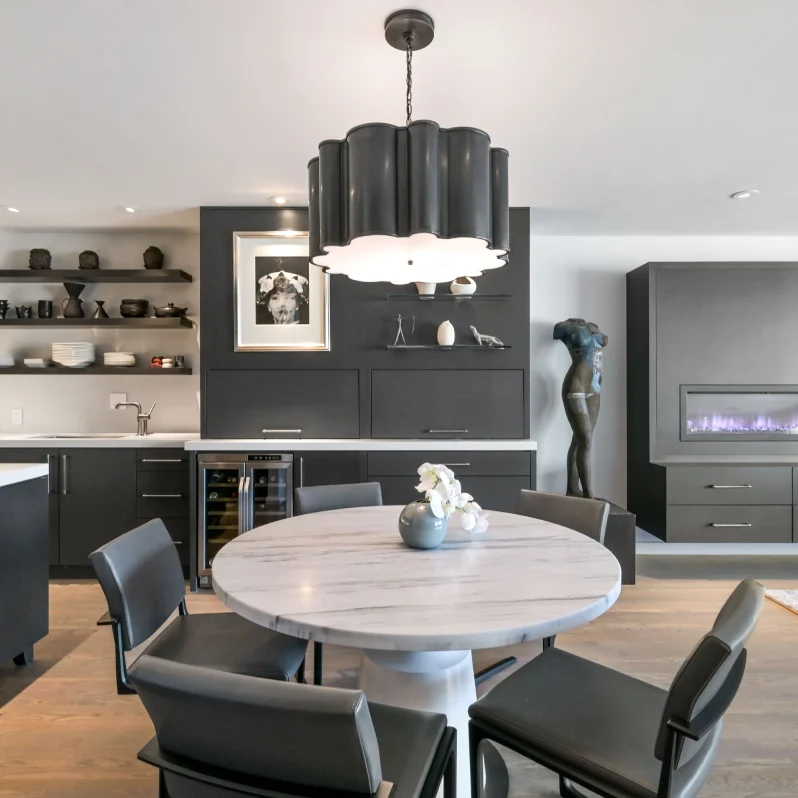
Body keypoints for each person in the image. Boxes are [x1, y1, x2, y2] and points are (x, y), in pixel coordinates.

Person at [552, 318, 608, 499]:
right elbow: (556, 332)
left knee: (579, 440)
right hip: (575, 387)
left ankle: (572, 489)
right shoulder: (566, 327)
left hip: (595, 388)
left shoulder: (594, 326)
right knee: (586, 440)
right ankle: (588, 494)